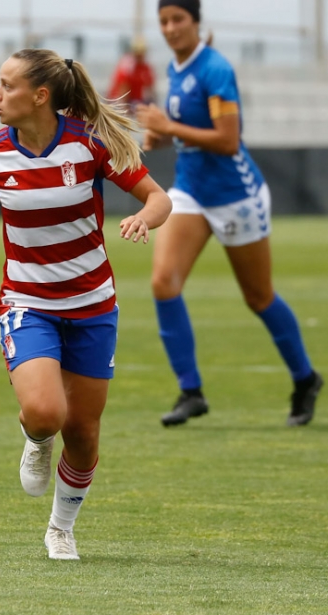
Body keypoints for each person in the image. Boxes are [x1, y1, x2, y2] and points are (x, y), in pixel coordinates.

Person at [0, 49, 171, 560]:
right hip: (27, 302)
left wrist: (143, 220)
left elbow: (159, 198)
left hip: (93, 305)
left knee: (84, 433)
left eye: (7, 85)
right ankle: (36, 437)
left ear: (40, 96)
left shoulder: (90, 144)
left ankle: (61, 528)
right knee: (46, 414)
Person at [136, 0, 323, 427]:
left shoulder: (215, 69)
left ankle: (305, 377)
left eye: (177, 19)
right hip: (190, 192)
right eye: (163, 20)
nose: (169, 28)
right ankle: (191, 391)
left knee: (258, 297)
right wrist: (160, 139)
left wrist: (169, 128)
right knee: (164, 283)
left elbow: (228, 141)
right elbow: (189, 137)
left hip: (236, 195)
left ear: (196, 22)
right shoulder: (175, 69)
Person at [107, 35, 156, 108]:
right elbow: (123, 91)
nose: (140, 55)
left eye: (142, 52)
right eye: (137, 52)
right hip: (118, 101)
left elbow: (150, 89)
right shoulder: (127, 66)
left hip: (135, 102)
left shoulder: (146, 68)